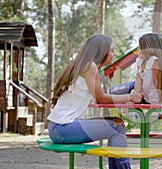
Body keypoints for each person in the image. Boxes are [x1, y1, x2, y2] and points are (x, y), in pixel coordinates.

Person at [47, 34, 142, 169]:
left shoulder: (86, 66)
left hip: (58, 127)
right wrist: (129, 97)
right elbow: (101, 98)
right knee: (117, 126)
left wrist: (124, 99)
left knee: (116, 125)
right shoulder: (90, 66)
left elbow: (100, 98)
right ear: (102, 52)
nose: (114, 54)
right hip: (63, 128)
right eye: (112, 51)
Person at [132, 33, 162, 104]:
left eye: (140, 47)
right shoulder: (139, 61)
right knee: (126, 92)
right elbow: (138, 80)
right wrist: (136, 94)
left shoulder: (153, 61)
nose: (138, 49)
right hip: (144, 93)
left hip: (154, 93)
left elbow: (157, 81)